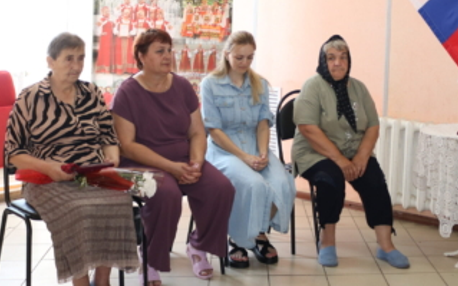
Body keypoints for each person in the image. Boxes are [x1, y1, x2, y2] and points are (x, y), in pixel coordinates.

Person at [4, 33, 140, 286]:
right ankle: (81, 281)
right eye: (69, 59)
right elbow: (13, 154)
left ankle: (102, 280)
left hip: (92, 174)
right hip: (46, 180)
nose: (76, 66)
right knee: (80, 209)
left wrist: (111, 156)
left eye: (80, 58)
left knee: (120, 200)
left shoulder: (91, 92)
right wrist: (48, 167)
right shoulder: (30, 97)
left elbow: (108, 136)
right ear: (50, 61)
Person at [112, 29, 235, 285]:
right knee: (166, 194)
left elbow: (197, 132)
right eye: (160, 51)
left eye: (169, 50)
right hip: (139, 165)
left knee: (221, 188)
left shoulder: (182, 86)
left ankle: (198, 245)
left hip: (183, 159)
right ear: (141, 56)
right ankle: (151, 258)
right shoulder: (127, 92)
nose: (168, 56)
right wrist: (171, 167)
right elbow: (127, 146)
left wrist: (196, 163)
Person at [293, 35, 410, 269]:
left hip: (353, 152)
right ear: (323, 61)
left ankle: (386, 245)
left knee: (375, 180)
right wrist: (340, 160)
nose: (338, 63)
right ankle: (327, 242)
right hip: (315, 153)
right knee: (331, 179)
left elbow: (373, 125)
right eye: (331, 58)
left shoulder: (358, 87)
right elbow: (307, 128)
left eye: (343, 57)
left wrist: (361, 157)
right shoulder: (313, 86)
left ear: (349, 60)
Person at [202, 31, 295, 268]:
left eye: (250, 57)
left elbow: (263, 123)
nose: (245, 63)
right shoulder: (210, 84)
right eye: (239, 57)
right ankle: (238, 239)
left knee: (283, 182)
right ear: (227, 54)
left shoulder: (260, 84)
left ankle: (257, 233)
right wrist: (244, 157)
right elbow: (214, 130)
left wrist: (263, 153)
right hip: (224, 150)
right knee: (253, 184)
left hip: (255, 146)